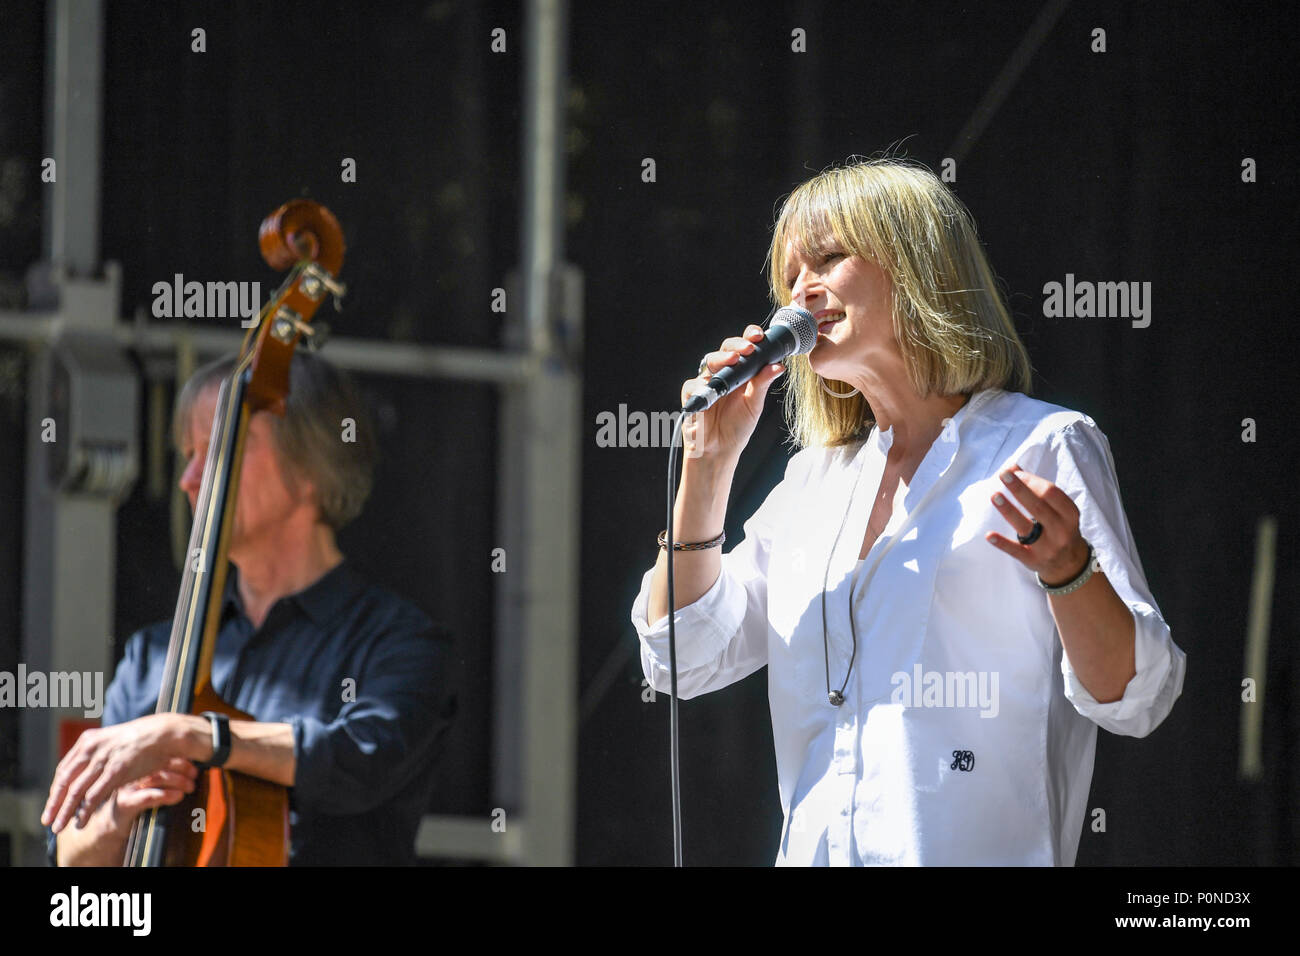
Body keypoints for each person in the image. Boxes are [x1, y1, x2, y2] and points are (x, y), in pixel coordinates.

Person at [632, 158, 1186, 866]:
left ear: (917, 266)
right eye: (790, 275)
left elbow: (1137, 697)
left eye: (829, 257)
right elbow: (683, 657)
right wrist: (707, 470)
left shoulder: (1041, 445)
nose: (803, 289)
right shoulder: (813, 483)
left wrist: (1069, 571)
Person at [43, 351, 458, 865]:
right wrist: (115, 820)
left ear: (312, 464)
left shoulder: (398, 643)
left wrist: (194, 734)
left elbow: (363, 758)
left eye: (217, 449)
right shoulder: (152, 657)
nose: (189, 478)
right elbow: (65, 856)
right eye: (186, 453)